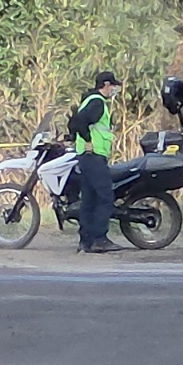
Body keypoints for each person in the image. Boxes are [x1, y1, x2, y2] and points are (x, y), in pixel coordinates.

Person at [70, 71, 124, 254]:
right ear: (106, 85)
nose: (114, 90)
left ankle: (86, 241)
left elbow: (74, 122)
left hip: (86, 157)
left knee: (89, 199)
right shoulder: (97, 102)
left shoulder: (88, 100)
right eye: (113, 86)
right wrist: (87, 141)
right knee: (105, 196)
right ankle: (99, 238)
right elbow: (78, 123)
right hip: (93, 156)